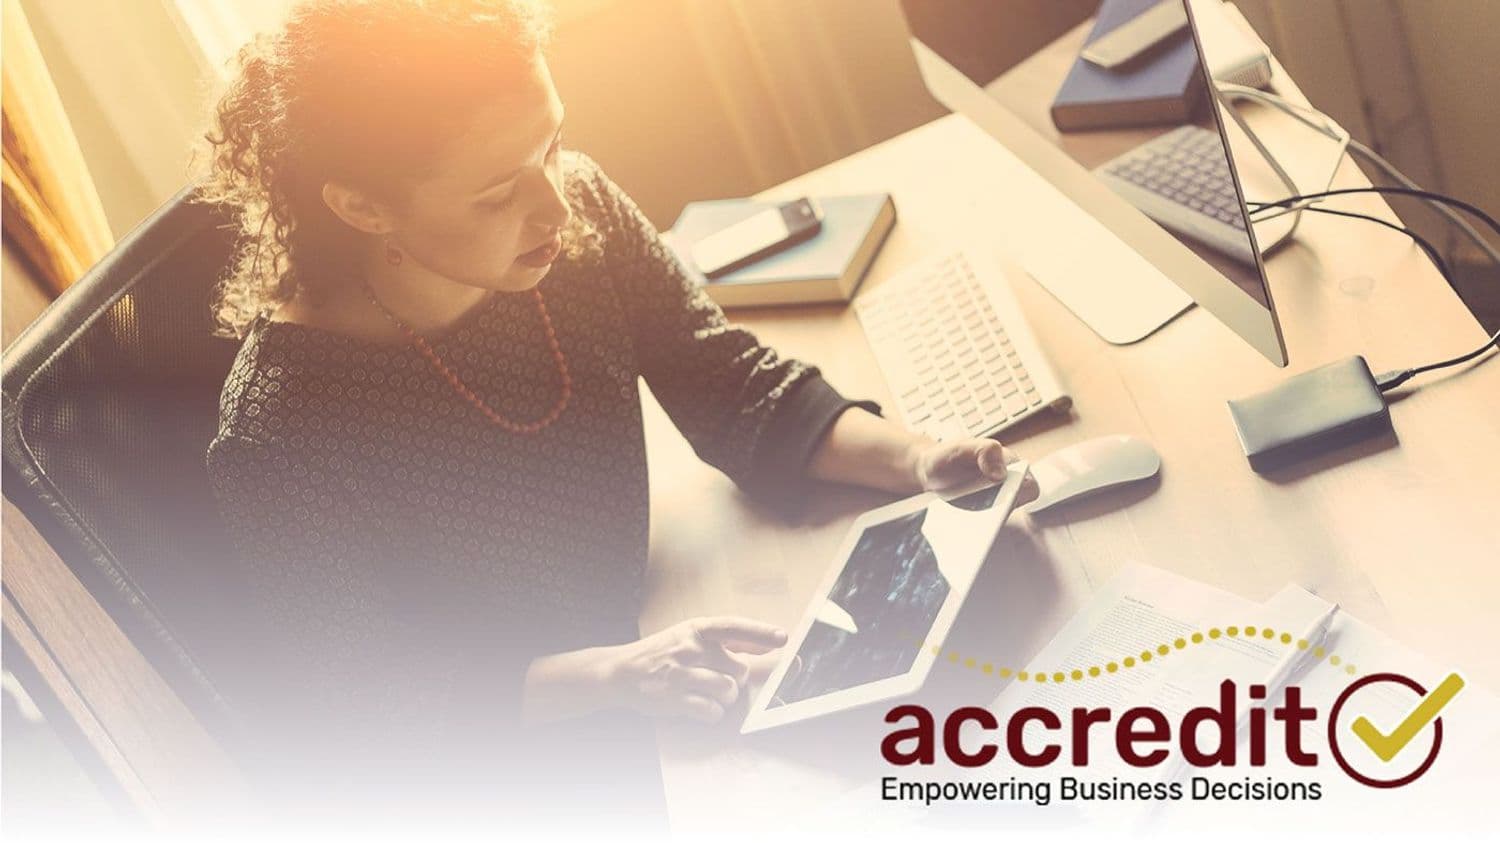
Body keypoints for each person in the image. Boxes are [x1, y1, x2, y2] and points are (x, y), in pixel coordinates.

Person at [199, 0, 1023, 832]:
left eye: (549, 146)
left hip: (659, 639)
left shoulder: (576, 211)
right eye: (497, 194)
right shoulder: (280, 438)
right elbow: (377, 703)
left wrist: (919, 462)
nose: (554, 205)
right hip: (534, 770)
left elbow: (729, 383)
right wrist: (616, 676)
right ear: (364, 207)